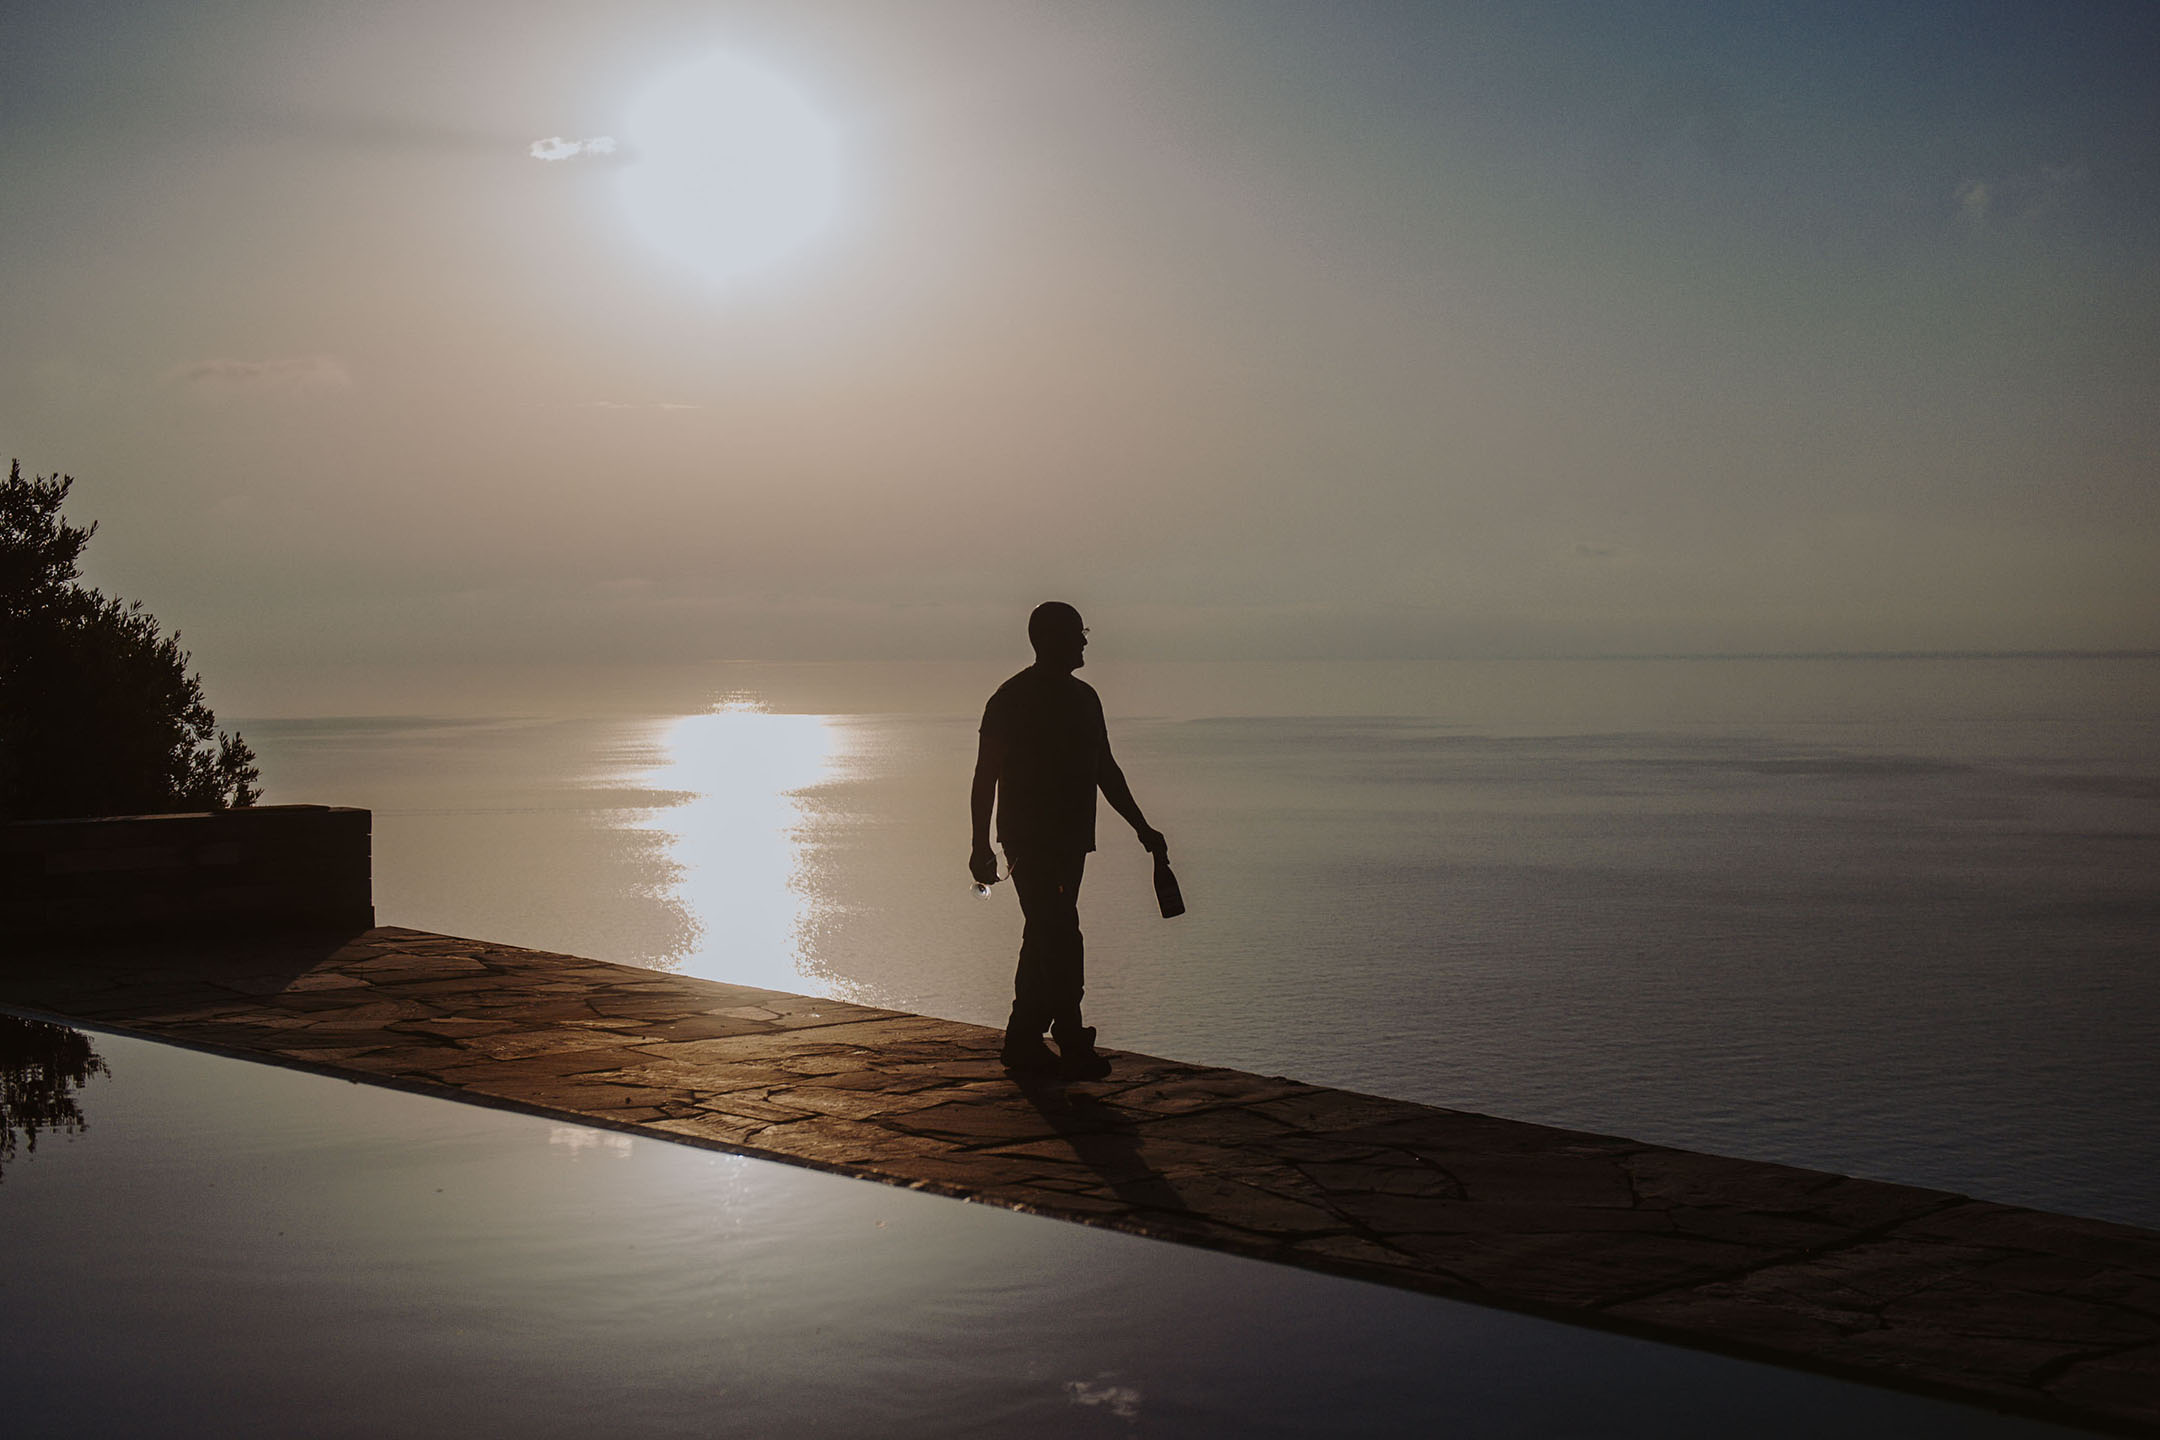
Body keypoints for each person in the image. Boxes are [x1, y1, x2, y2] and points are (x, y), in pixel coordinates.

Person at [970, 601, 1166, 1081]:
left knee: (1043, 934)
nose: (1084, 642)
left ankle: (1023, 1039)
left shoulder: (1085, 699)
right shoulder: (1010, 699)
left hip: (1072, 840)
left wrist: (1142, 827)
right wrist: (980, 845)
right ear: (1051, 639)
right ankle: (1071, 1036)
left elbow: (1105, 769)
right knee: (1060, 933)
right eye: (1077, 634)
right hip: (1029, 841)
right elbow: (985, 776)